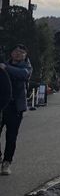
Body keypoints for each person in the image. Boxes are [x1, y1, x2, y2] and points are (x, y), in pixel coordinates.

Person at [0, 44, 33, 175]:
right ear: (11, 53)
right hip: (2, 105)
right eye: (16, 51)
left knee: (11, 136)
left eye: (22, 52)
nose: (18, 53)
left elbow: (23, 75)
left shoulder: (26, 67)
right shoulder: (3, 63)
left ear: (25, 55)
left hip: (15, 107)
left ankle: (7, 163)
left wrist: (5, 68)